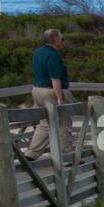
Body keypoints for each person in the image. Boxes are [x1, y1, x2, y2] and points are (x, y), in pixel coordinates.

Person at [27, 28, 73, 162]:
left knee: (45, 123)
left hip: (37, 90)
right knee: (64, 123)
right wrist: (59, 97)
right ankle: (66, 156)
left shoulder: (37, 52)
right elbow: (55, 78)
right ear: (56, 39)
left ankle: (32, 152)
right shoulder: (52, 55)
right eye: (61, 38)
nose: (61, 41)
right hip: (50, 91)